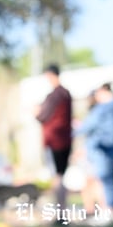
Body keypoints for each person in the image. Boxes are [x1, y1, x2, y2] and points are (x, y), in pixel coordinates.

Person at [76, 83, 113, 214]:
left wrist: (70, 132)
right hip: (110, 149)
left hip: (104, 150)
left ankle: (108, 210)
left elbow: (88, 126)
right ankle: (109, 209)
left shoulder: (106, 108)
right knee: (107, 180)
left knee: (104, 180)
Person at [34, 63, 73, 208]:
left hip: (53, 141)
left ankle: (61, 211)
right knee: (61, 176)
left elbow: (42, 115)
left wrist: (36, 111)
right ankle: (63, 210)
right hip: (66, 140)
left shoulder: (54, 95)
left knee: (57, 177)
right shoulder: (66, 94)